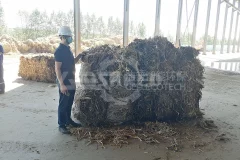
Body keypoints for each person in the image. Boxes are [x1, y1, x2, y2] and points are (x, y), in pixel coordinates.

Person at [54, 26, 83, 134]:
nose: (70, 38)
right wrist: (62, 84)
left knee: (69, 101)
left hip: (71, 79)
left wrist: (79, 56)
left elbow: (71, 63)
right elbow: (57, 69)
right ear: (62, 37)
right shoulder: (59, 51)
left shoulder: (68, 50)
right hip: (64, 80)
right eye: (68, 37)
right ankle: (61, 125)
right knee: (63, 103)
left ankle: (68, 120)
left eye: (71, 36)